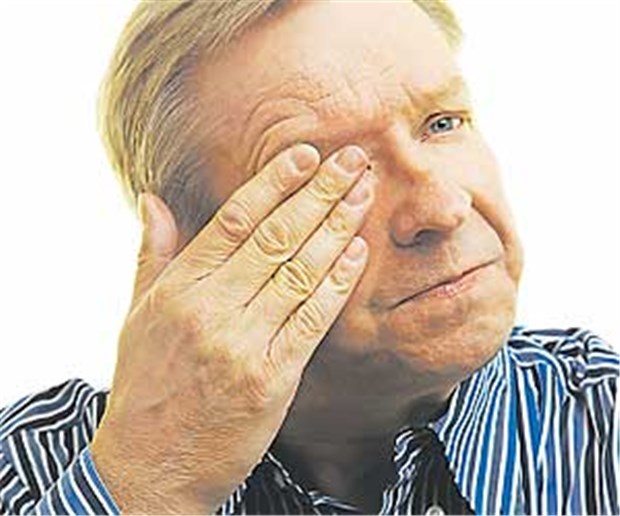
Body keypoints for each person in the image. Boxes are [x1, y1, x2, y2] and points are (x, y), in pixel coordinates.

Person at [0, 0, 618, 514]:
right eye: (331, 174)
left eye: (442, 123)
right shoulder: (27, 472)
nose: (442, 207)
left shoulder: (604, 420)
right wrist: (148, 485)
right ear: (191, 257)